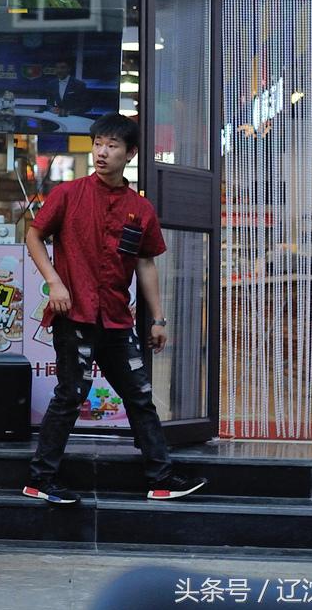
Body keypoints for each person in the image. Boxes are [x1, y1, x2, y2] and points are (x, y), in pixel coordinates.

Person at [22, 114, 206, 504]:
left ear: (131, 153)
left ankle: (161, 478)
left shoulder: (139, 208)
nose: (102, 153)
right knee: (71, 394)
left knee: (140, 395)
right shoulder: (68, 194)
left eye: (112, 146)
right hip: (75, 316)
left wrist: (157, 319)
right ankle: (41, 479)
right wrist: (55, 281)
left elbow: (145, 263)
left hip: (117, 320)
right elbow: (34, 233)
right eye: (98, 144)